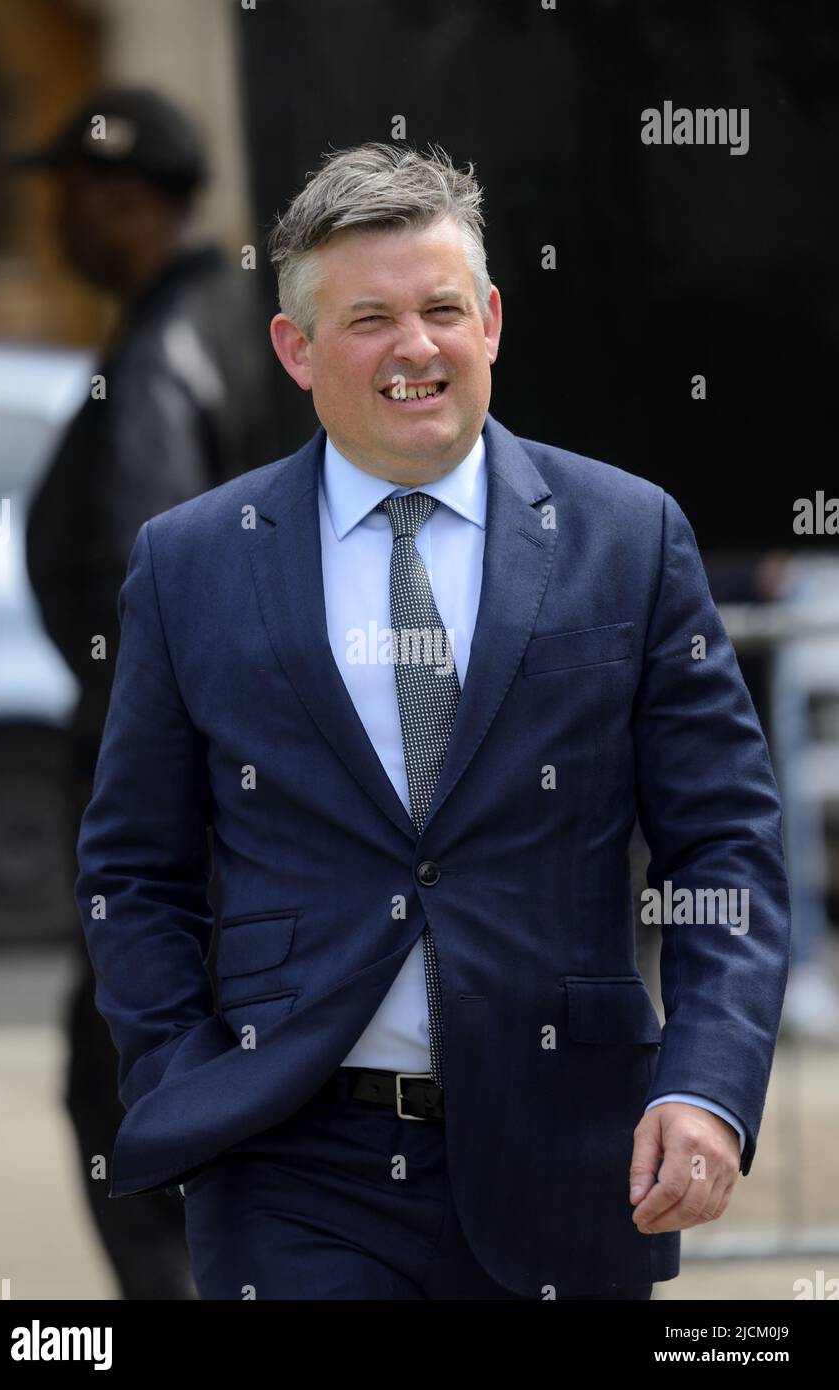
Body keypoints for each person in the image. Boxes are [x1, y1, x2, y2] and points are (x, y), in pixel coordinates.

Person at [74, 142, 791, 1300]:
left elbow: (726, 850)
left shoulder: (628, 535)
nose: (414, 348)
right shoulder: (191, 562)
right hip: (292, 1163)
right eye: (368, 319)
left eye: (441, 309)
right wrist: (183, 1079)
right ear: (294, 349)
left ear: (492, 321)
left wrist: (702, 1085)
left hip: (570, 1158)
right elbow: (132, 868)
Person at [20, 87, 264, 1298]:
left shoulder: (163, 355)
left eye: (68, 191)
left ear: (119, 199)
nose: (54, 218)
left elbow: (145, 625)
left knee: (127, 1094)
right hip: (244, 813)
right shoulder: (235, 314)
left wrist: (148, 860)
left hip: (182, 827)